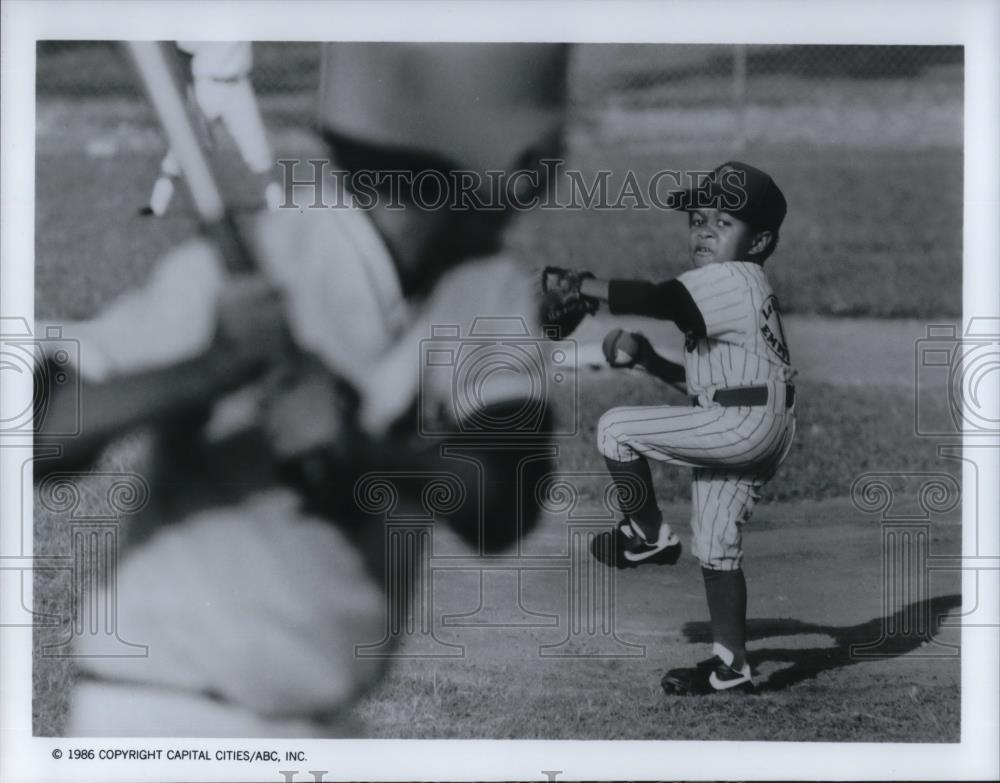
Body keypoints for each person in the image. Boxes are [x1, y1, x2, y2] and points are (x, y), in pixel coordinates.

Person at [37, 42, 569, 736]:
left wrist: (356, 454)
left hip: (320, 727)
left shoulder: (485, 289)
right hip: (158, 715)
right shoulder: (262, 261)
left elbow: (506, 497)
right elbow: (44, 431)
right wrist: (214, 366)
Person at [557, 161, 796, 694]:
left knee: (616, 428)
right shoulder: (739, 290)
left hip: (744, 422)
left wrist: (581, 285)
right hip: (754, 420)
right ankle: (730, 666)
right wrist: (646, 359)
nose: (704, 229)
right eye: (697, 218)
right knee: (715, 543)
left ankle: (644, 534)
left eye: (723, 221)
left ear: (758, 241)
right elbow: (703, 385)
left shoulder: (730, 279)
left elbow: (661, 300)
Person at [140, 41, 282, 216]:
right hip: (207, 85)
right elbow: (183, 53)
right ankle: (157, 205)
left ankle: (276, 203)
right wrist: (189, 92)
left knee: (256, 145)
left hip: (238, 85)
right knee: (185, 142)